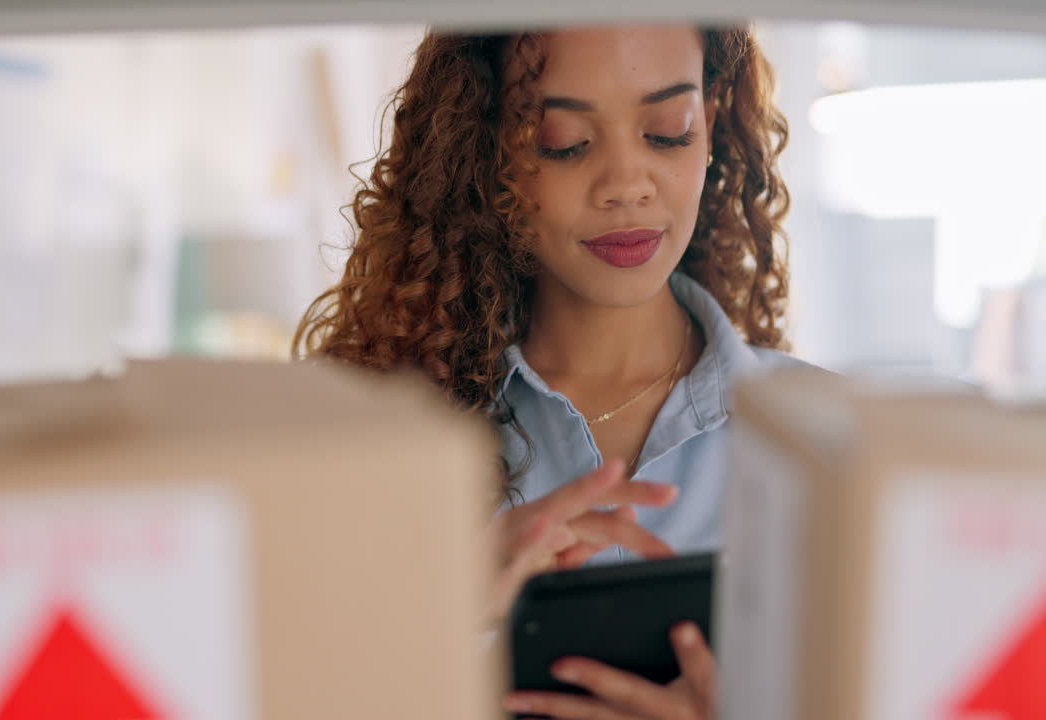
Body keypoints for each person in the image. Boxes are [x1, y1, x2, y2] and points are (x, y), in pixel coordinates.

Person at [294, 24, 811, 720]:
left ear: (711, 126)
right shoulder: (371, 451)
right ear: (485, 152)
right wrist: (428, 619)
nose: (627, 184)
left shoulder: (829, 444)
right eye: (563, 142)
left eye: (668, 131)